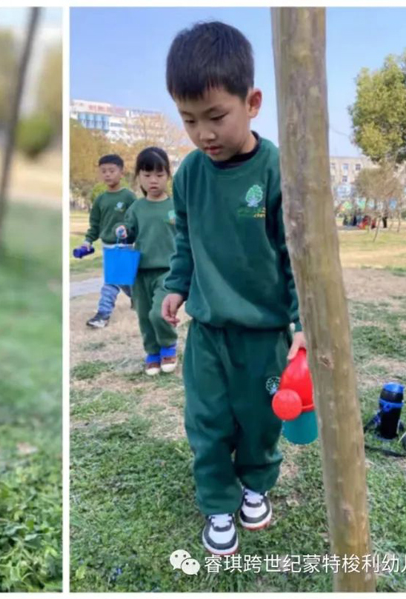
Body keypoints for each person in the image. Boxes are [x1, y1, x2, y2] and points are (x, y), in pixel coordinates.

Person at [160, 21, 307, 556]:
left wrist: (301, 324)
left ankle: (255, 485)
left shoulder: (275, 171)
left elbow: (295, 255)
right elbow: (185, 240)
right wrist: (176, 286)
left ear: (253, 102)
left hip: (264, 334)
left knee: (261, 420)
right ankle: (218, 503)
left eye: (216, 116)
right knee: (207, 422)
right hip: (208, 334)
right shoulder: (189, 176)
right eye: (189, 120)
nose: (204, 134)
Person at [114, 147, 178, 375]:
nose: (153, 180)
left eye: (159, 175)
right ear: (138, 176)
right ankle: (152, 352)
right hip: (140, 271)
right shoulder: (136, 208)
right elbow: (128, 231)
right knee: (143, 315)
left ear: (167, 176)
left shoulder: (175, 207)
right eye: (147, 175)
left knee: (158, 313)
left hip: (168, 271)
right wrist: (122, 230)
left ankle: (169, 345)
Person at [79, 154, 137, 328]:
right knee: (125, 281)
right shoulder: (100, 199)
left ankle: (103, 315)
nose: (107, 175)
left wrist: (129, 230)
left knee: (111, 281)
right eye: (103, 171)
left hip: (125, 245)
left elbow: (136, 219)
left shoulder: (128, 196)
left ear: (121, 172)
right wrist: (87, 241)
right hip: (107, 246)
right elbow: (95, 224)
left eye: (112, 170)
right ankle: (139, 298)